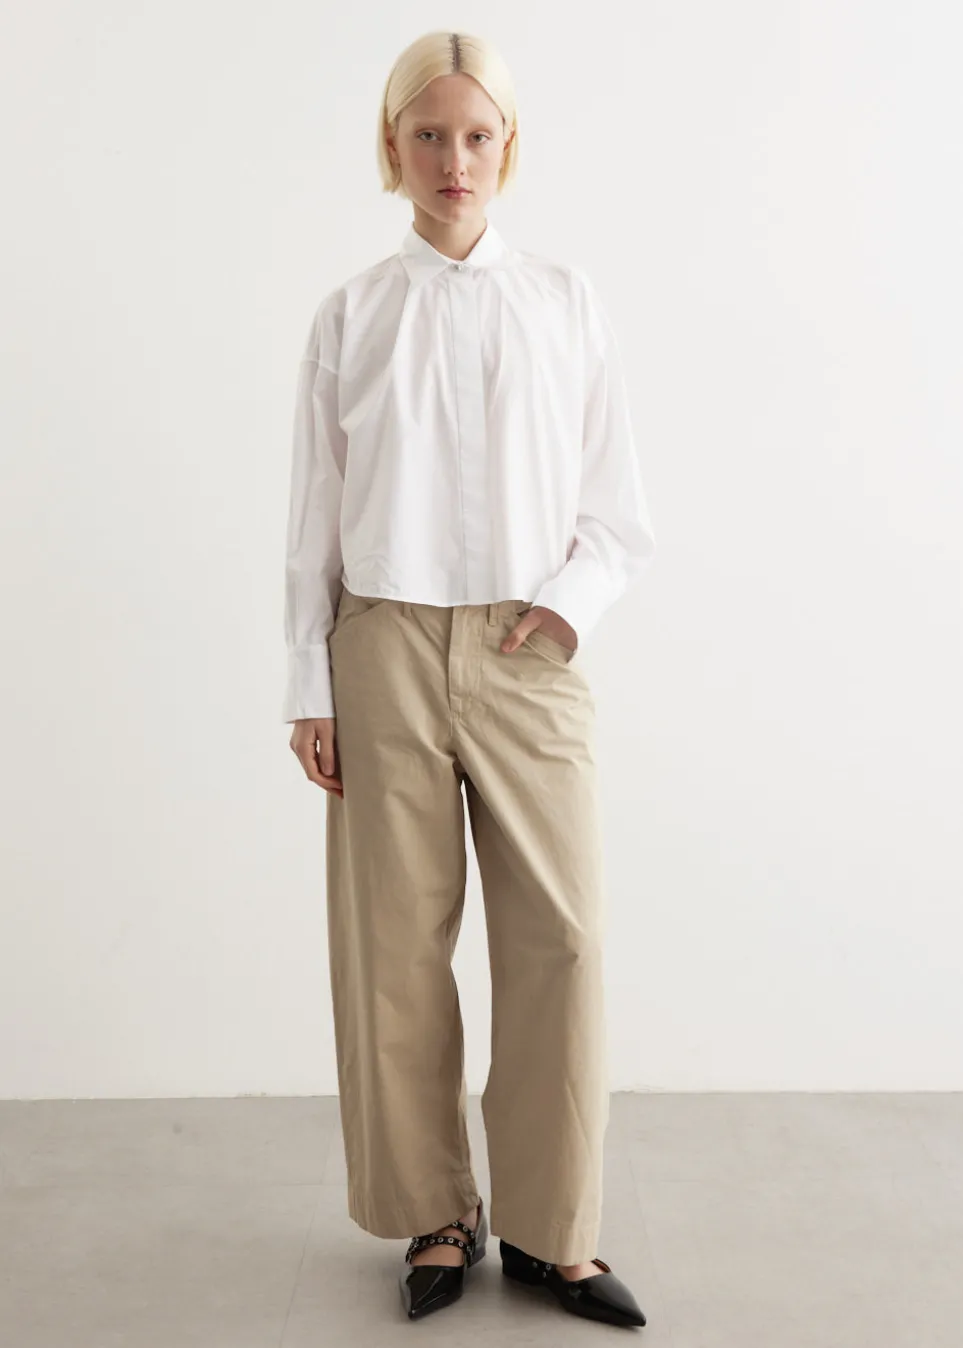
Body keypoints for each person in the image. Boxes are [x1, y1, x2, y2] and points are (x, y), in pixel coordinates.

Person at [282, 30, 655, 1328]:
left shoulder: (565, 301)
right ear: (391, 148)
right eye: (428, 135)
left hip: (523, 646)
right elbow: (313, 518)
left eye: (477, 134)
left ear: (509, 147)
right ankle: (437, 1214)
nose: (454, 159)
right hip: (380, 643)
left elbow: (617, 511)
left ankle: (555, 1233)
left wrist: (562, 612)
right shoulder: (349, 316)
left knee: (563, 935)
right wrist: (309, 681)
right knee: (394, 947)